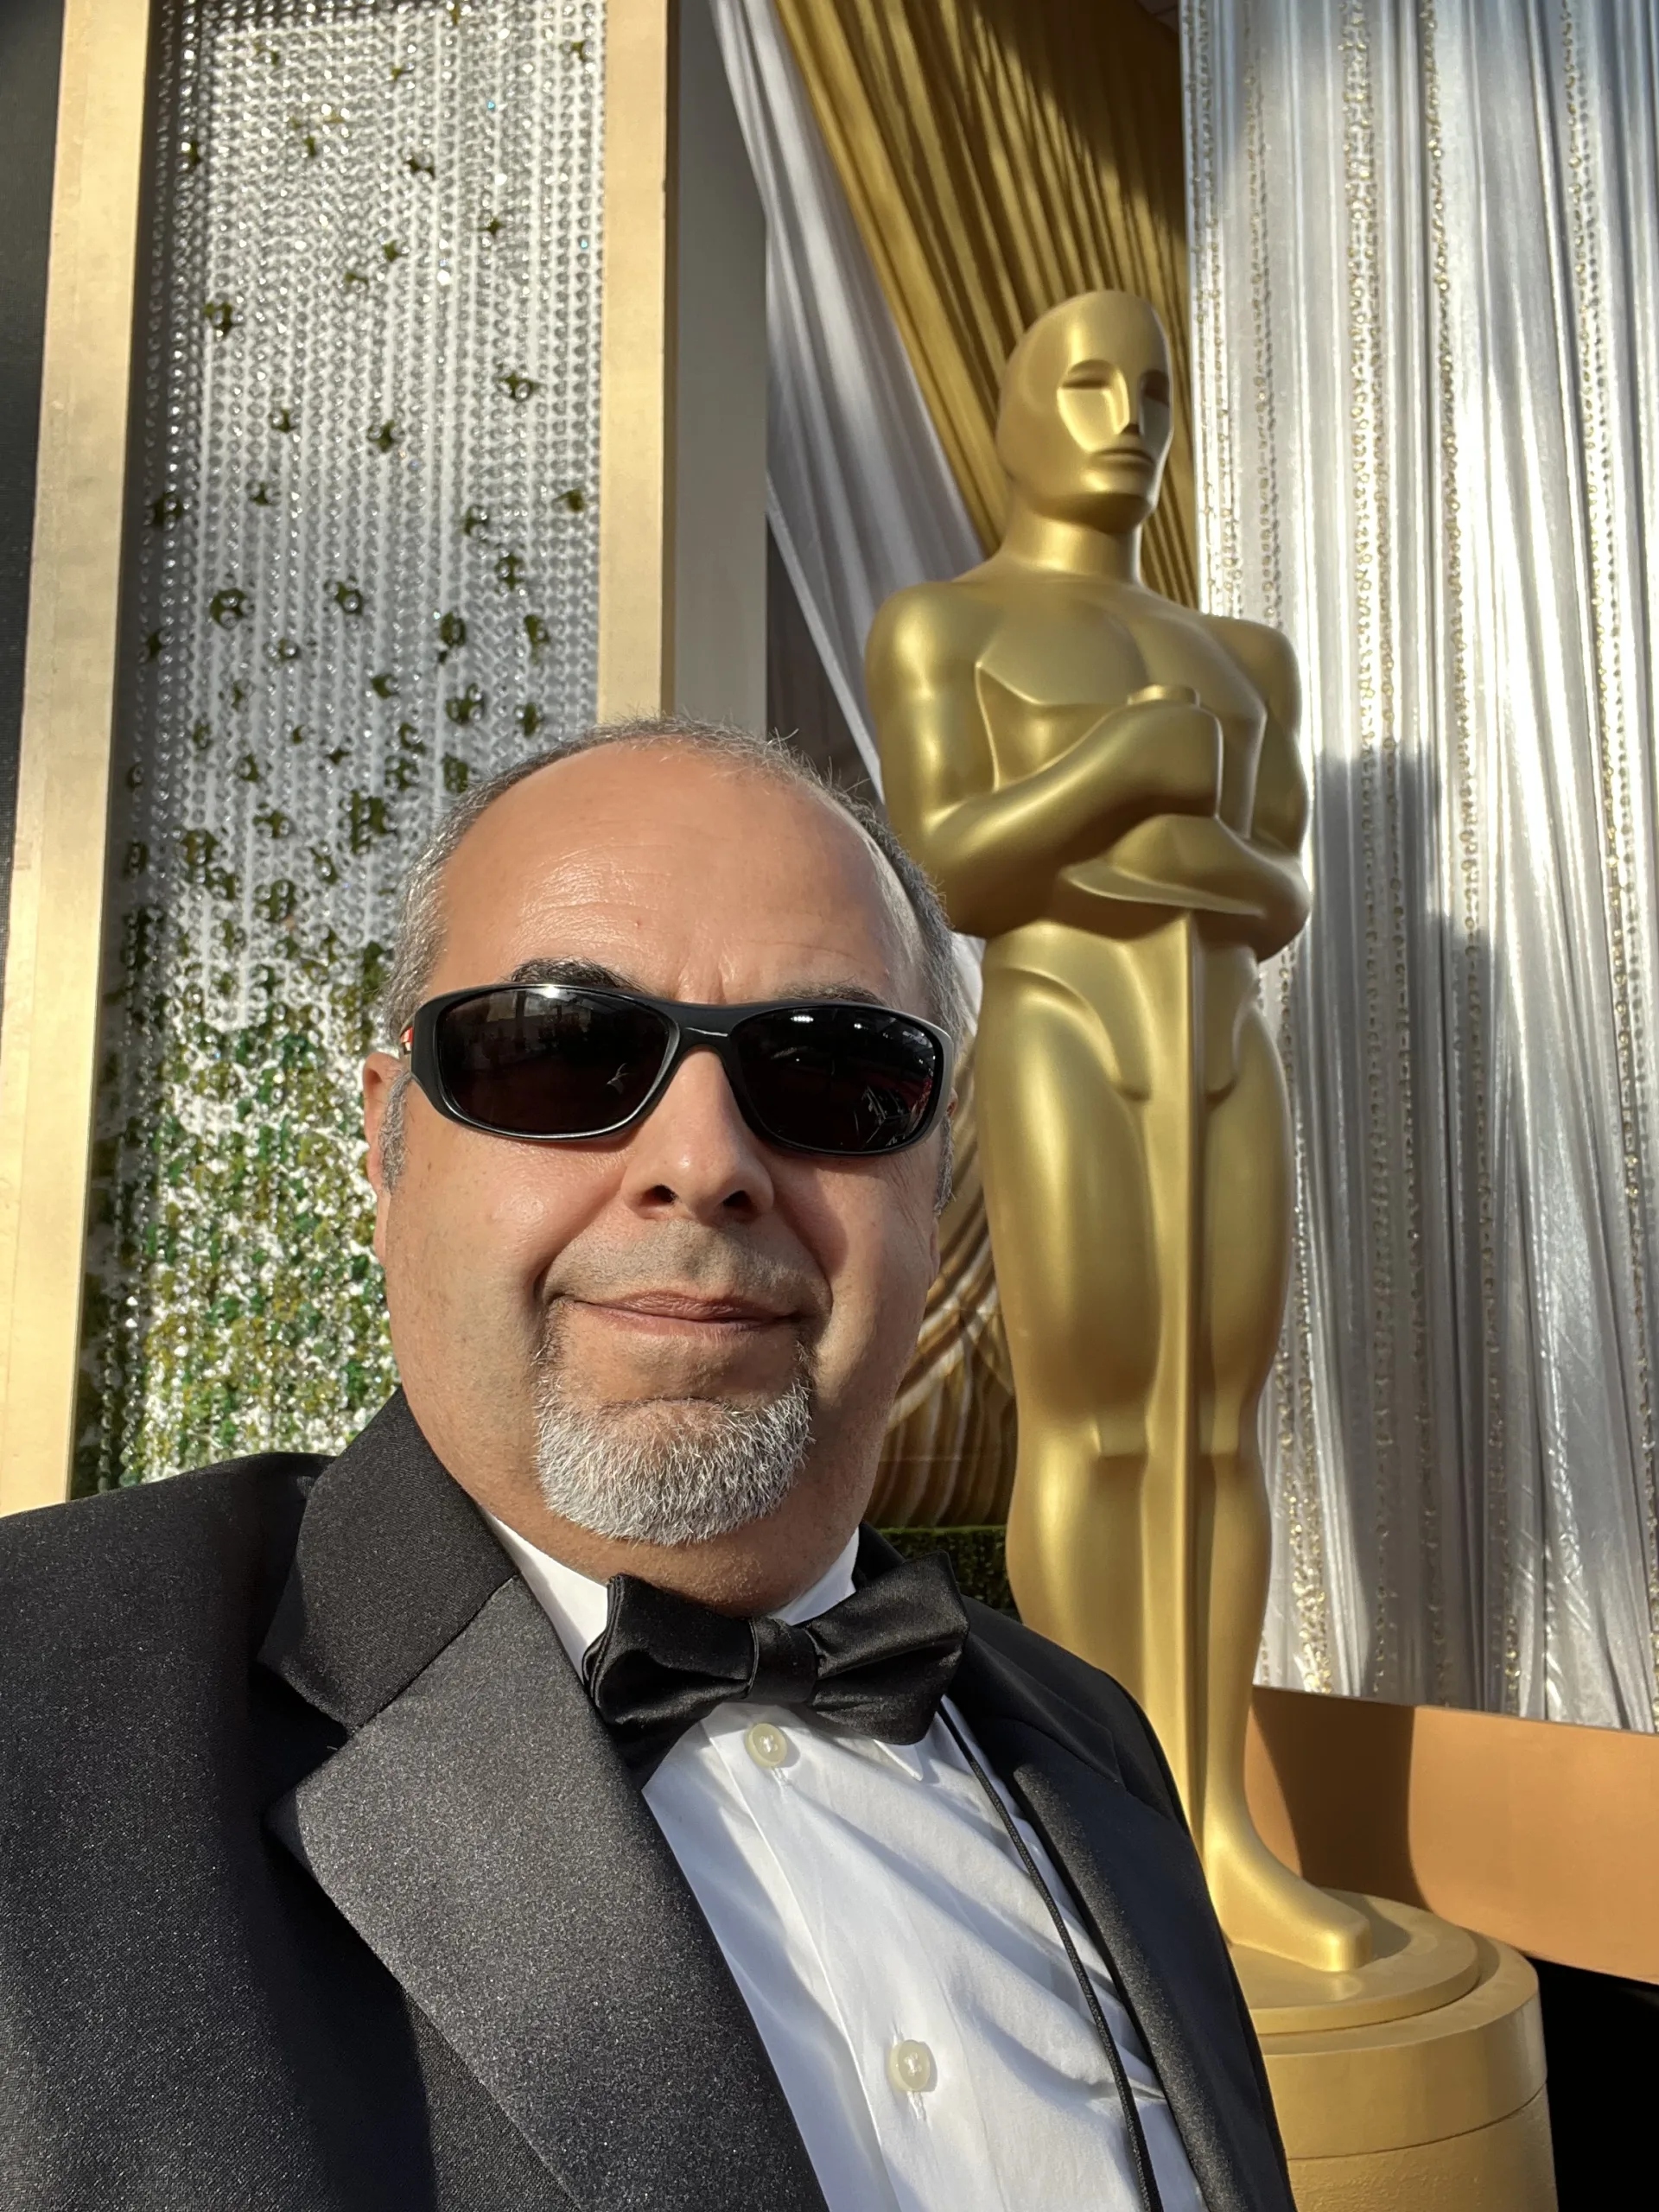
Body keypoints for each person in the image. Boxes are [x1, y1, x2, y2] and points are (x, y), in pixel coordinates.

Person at [0, 719, 1293, 2212]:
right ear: (386, 1145)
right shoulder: (44, 1699)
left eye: (833, 1074)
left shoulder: (1093, 1746)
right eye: (562, 1050)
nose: (705, 1159)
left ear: (935, 1184)